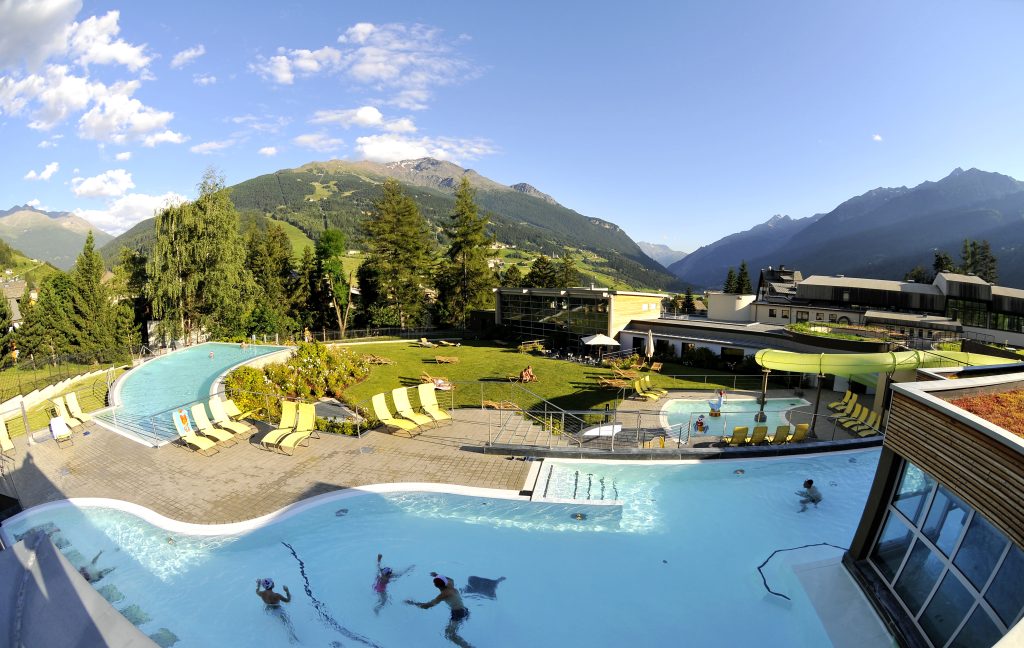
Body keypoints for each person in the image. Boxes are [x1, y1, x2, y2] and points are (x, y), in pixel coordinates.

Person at [406, 573, 472, 648]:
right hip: (464, 610)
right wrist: (436, 575)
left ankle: (468, 647)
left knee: (449, 634)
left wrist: (413, 603)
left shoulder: (443, 594)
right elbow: (451, 579)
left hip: (458, 614)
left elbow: (428, 605)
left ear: (435, 585)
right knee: (451, 631)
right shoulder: (450, 585)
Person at [256, 578, 297, 642]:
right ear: (271, 585)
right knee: (287, 624)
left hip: (268, 609)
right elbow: (288, 600)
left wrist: (258, 584)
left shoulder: (261, 593)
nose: (274, 583)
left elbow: (257, 591)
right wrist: (287, 591)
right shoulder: (276, 595)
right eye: (272, 582)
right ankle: (292, 637)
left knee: (277, 621)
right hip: (278, 610)